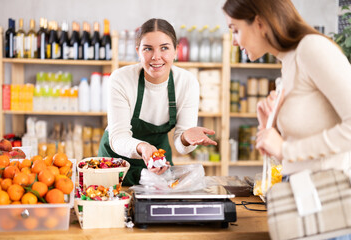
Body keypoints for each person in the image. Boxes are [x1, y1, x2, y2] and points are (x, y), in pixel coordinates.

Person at [223, 0, 351, 239]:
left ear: (259, 22)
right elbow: (291, 154)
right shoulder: (288, 61)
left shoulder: (312, 49)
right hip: (306, 203)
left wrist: (286, 148)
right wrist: (268, 128)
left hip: (331, 208)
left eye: (235, 29)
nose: (233, 41)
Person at [98, 18, 217, 186]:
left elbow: (181, 146)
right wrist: (144, 148)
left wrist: (185, 138)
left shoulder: (187, 83)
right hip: (115, 164)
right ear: (138, 51)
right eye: (148, 49)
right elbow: (118, 137)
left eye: (164, 48)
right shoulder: (121, 79)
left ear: (176, 51)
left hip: (158, 163)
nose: (156, 57)